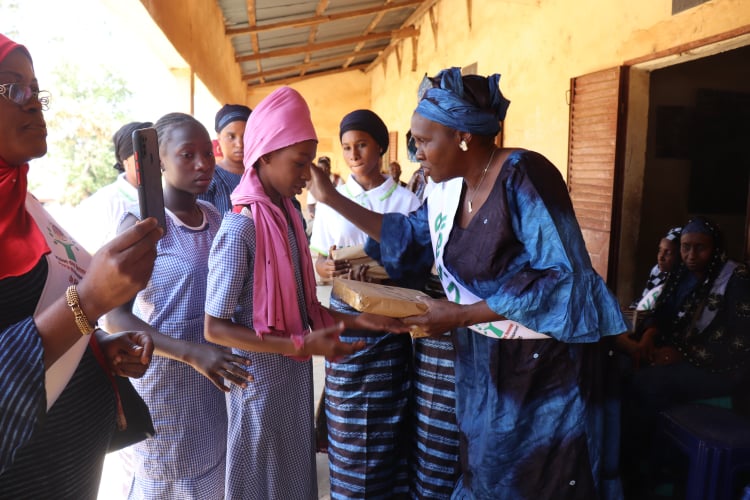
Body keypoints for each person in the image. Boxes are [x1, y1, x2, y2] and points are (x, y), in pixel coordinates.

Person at [309, 67, 627, 499]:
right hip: (482, 354)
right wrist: (332, 199)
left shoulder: (524, 176)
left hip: (544, 363)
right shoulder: (446, 189)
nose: (416, 152)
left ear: (463, 136)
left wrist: (460, 315)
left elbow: (561, 279)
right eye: (414, 142)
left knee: (542, 473)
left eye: (424, 141)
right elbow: (408, 238)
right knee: (485, 465)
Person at [203, 86, 409, 500]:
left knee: (293, 482)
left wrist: (356, 320)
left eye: (309, 161)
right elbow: (214, 327)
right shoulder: (243, 226)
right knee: (261, 486)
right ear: (263, 155)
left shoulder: (287, 216)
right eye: (299, 163)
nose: (307, 175)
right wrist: (299, 342)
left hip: (291, 383)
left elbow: (304, 305)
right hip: (258, 387)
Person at [0, 33, 162, 497]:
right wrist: (88, 302)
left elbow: (33, 317)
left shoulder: (25, 208)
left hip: (71, 470)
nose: (34, 104)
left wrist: (97, 346)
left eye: (36, 90)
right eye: (13, 89)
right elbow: (72, 306)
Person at [106, 112, 252, 499]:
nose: (203, 164)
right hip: (168, 385)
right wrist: (191, 353)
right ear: (160, 162)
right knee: (170, 481)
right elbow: (115, 314)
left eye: (208, 153)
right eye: (188, 155)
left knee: (213, 479)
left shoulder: (217, 218)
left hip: (214, 380)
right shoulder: (143, 227)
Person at [309, 109, 420, 498]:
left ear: (381, 146)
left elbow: (417, 266)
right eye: (346, 148)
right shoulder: (329, 201)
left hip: (390, 325)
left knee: (390, 418)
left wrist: (378, 272)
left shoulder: (406, 202)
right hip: (344, 319)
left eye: (361, 145)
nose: (353, 154)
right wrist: (326, 266)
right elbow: (318, 260)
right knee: (346, 423)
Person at [620, 216, 750, 494]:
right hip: (678, 354)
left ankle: (652, 466)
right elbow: (661, 312)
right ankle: (636, 457)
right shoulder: (682, 275)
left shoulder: (736, 279)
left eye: (700, 248)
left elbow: (740, 340)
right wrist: (649, 336)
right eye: (685, 247)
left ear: (715, 248)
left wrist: (681, 355)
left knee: (649, 383)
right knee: (622, 365)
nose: (691, 256)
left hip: (720, 367)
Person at [73, 120, 153, 253]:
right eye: (146, 155)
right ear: (126, 163)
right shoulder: (104, 202)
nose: (155, 161)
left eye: (157, 153)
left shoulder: (163, 197)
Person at [198, 103, 251, 216]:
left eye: (245, 136)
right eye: (231, 136)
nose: (239, 144)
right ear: (219, 138)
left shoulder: (262, 175)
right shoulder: (208, 178)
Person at [629, 225, 682, 310]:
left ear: (680, 255)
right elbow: (645, 297)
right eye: (660, 250)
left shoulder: (683, 279)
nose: (660, 257)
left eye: (668, 252)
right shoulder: (657, 270)